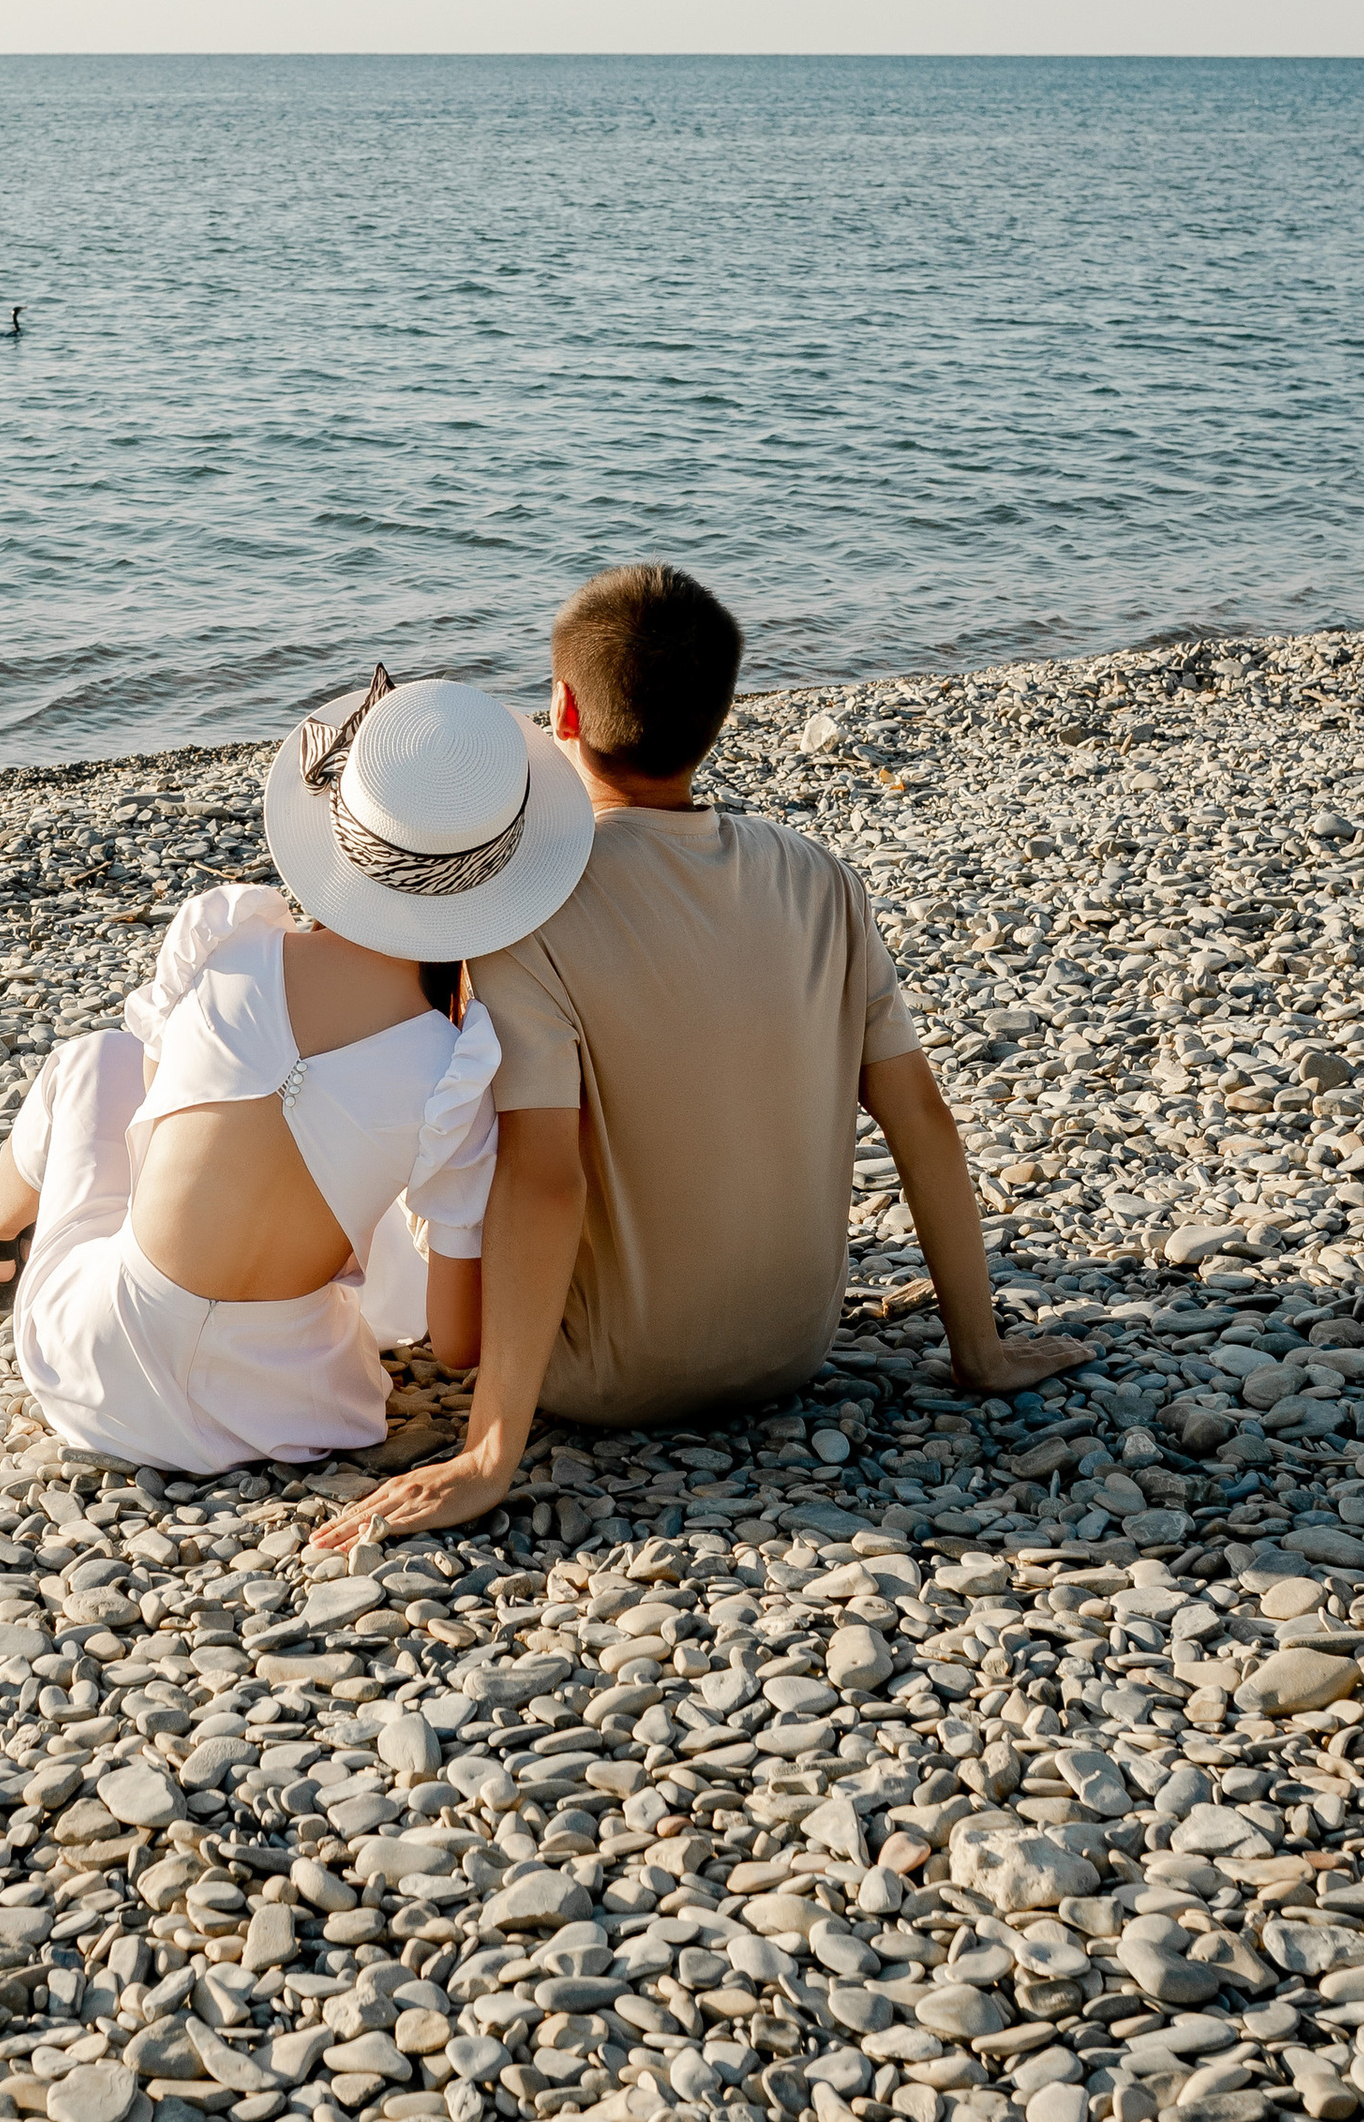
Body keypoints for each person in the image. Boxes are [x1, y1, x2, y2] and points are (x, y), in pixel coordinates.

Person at [316, 562, 1087, 1553]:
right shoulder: (821, 878)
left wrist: (491, 1449)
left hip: (604, 1377)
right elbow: (920, 1117)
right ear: (722, 715)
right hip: (792, 1346)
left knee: (430, 1106)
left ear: (559, 709)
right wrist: (975, 1347)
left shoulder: (525, 915)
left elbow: (542, 1182)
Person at [0, 669, 596, 1477]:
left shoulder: (230, 939)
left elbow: (154, 1130)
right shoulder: (456, 1069)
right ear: (497, 874)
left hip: (94, 1367)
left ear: (341, 823)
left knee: (96, 1062)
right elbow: (458, 1343)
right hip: (285, 1408)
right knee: (366, 1186)